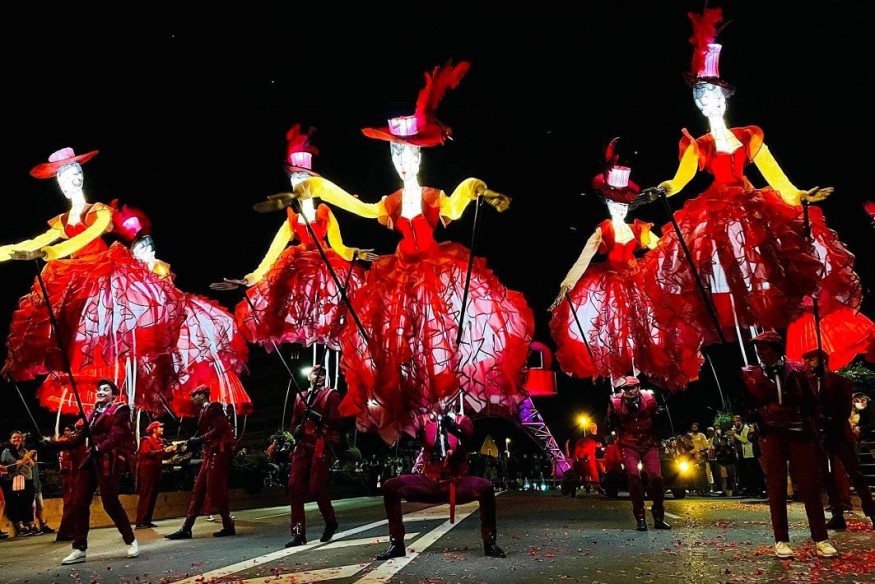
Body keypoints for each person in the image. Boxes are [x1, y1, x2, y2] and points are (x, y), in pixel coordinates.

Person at [284, 61, 534, 443]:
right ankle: (419, 414)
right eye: (395, 155)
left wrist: (479, 188)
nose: (402, 161)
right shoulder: (393, 200)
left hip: (436, 271)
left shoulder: (432, 196)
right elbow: (362, 208)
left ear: (419, 157)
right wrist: (316, 188)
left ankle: (447, 412)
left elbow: (457, 200)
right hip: (399, 276)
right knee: (398, 343)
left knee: (444, 339)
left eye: (408, 155)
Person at [633, 8, 855, 348]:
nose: (711, 103)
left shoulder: (749, 136)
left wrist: (801, 196)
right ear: (698, 105)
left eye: (715, 96)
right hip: (715, 211)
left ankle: (774, 341)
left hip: (752, 206)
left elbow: (778, 178)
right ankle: (750, 342)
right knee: (726, 268)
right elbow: (678, 182)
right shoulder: (699, 145)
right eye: (703, 98)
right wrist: (661, 189)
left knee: (767, 264)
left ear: (724, 98)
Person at [0, 147, 185, 416]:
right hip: (74, 275)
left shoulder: (98, 212)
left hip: (102, 273)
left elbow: (87, 237)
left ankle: (133, 394)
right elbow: (35, 241)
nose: (66, 184)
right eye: (60, 181)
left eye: (70, 177)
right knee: (63, 327)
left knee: (114, 328)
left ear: (80, 177)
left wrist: (50, 252)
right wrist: (6, 252)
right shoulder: (63, 220)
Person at [549, 139, 703, 392]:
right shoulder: (604, 231)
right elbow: (584, 258)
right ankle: (620, 378)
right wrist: (567, 285)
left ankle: (638, 377)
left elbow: (663, 247)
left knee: (648, 326)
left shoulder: (637, 230)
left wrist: (686, 258)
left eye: (622, 205)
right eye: (613, 204)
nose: (618, 210)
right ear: (607, 204)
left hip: (637, 282)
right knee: (613, 329)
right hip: (610, 285)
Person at [212, 124, 375, 354]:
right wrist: (250, 279)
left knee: (334, 312)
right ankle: (314, 372)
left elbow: (339, 246)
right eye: (294, 177)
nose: (297, 182)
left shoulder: (324, 213)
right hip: (298, 269)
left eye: (302, 176)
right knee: (296, 312)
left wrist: (354, 253)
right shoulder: (292, 220)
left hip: (326, 268)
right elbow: (272, 254)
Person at [111, 203, 253, 417]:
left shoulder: (157, 267)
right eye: (139, 249)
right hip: (151, 318)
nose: (145, 252)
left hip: (171, 313)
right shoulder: (134, 273)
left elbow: (163, 292)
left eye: (146, 247)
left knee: (186, 356)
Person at [740, 331, 837, 559]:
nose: (760, 352)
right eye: (758, 348)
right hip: (771, 433)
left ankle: (821, 538)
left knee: (809, 485)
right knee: (776, 486)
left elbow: (812, 403)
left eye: (765, 348)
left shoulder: (798, 371)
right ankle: (781, 539)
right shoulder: (749, 375)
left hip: (799, 432)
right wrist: (752, 414)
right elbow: (744, 405)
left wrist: (817, 428)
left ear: (776, 349)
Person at [375, 406, 506, 560]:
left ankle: (490, 542)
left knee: (485, 488)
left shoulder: (461, 420)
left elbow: (468, 433)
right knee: (391, 486)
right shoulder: (423, 420)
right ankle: (397, 543)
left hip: (455, 483)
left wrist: (455, 429)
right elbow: (409, 428)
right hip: (428, 482)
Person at [41, 379, 139, 565]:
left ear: (113, 394)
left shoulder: (120, 410)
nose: (100, 391)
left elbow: (117, 434)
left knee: (110, 502)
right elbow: (76, 439)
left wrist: (100, 448)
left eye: (105, 389)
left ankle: (131, 540)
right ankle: (79, 548)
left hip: (109, 459)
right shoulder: (92, 414)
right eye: (99, 389)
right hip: (91, 459)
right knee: (79, 503)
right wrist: (51, 444)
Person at [803, 349, 875, 530]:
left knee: (854, 472)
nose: (807, 364)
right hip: (819, 434)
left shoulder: (841, 382)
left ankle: (872, 511)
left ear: (821, 361)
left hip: (839, 433)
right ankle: (837, 512)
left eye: (811, 360)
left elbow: (844, 409)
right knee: (826, 476)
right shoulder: (808, 383)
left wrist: (831, 422)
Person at [165, 386, 237, 540]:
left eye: (194, 395)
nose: (192, 398)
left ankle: (228, 524)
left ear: (202, 395)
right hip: (210, 453)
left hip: (218, 452)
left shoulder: (214, 407)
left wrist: (200, 439)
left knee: (214, 489)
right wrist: (197, 439)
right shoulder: (204, 411)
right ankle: (187, 528)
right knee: (198, 490)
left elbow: (220, 427)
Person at [285, 362, 343, 547]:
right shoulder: (299, 397)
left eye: (322, 375)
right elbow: (293, 422)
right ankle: (298, 533)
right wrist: (297, 431)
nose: (319, 378)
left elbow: (338, 421)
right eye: (316, 374)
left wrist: (319, 418)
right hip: (303, 446)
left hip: (321, 444)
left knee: (316, 487)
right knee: (294, 486)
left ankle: (331, 521)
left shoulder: (331, 396)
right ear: (309, 377)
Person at [604, 376, 671, 531]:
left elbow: (660, 422)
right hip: (629, 444)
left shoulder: (650, 400)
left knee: (656, 477)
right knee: (634, 477)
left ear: (638, 388)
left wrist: (661, 416)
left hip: (649, 443)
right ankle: (640, 517)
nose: (631, 391)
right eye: (627, 388)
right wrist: (611, 419)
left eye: (633, 387)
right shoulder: (614, 403)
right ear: (623, 390)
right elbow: (606, 429)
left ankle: (659, 517)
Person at [135, 421, 176, 529]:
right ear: (154, 429)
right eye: (160, 427)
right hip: (147, 471)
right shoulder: (146, 440)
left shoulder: (161, 441)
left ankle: (147, 520)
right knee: (146, 495)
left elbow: (162, 454)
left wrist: (171, 452)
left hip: (156, 470)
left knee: (152, 496)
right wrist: (163, 450)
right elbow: (146, 453)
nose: (162, 429)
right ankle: (140, 521)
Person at [1, 431, 38, 536]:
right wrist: (25, 459)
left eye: (19, 437)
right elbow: (13, 466)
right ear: (10, 439)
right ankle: (19, 525)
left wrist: (30, 459)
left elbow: (31, 465)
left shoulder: (24, 450)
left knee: (27, 501)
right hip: (14, 479)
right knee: (16, 502)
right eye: (14, 438)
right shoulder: (6, 451)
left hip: (26, 478)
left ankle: (29, 523)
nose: (17, 439)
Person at [55, 423, 87, 542]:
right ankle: (65, 531)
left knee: (74, 502)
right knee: (71, 503)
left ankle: (71, 530)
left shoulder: (69, 442)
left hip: (73, 475)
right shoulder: (70, 442)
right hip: (71, 475)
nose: (67, 432)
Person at [571, 423, 607, 495]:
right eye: (592, 427)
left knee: (600, 472)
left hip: (599, 458)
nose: (593, 428)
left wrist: (601, 446)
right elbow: (579, 450)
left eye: (594, 427)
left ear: (596, 428)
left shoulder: (601, 437)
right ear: (590, 429)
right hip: (589, 458)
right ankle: (589, 486)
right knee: (588, 472)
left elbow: (605, 445)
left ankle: (598, 485)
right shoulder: (588, 438)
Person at [30, 447, 54, 535]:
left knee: (40, 506)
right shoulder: (29, 463)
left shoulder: (35, 464)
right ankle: (33, 525)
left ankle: (43, 524)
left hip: (37, 488)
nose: (35, 457)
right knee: (33, 507)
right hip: (31, 488)